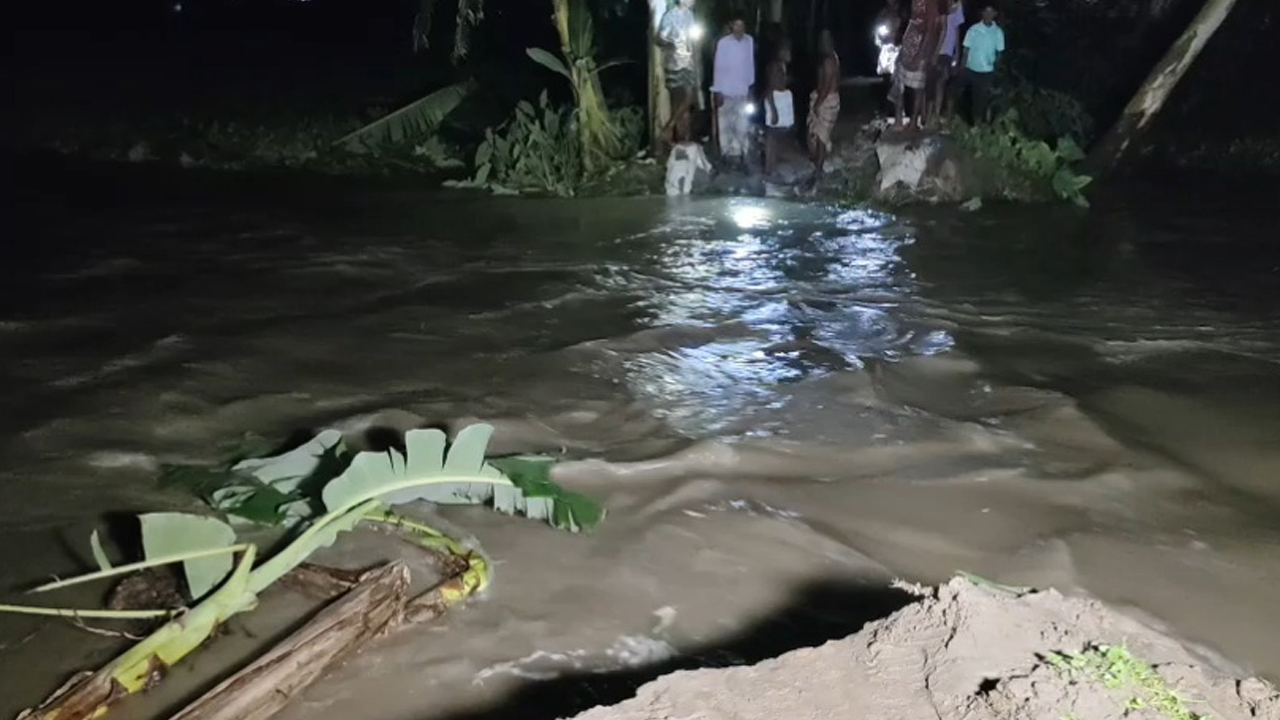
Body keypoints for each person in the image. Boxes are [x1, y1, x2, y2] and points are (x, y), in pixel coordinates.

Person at [890, 0, 944, 129]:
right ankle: (899, 119)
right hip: (907, 46)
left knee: (917, 87)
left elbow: (930, 31)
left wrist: (921, 56)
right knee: (897, 82)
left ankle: (914, 121)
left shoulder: (931, 4)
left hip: (921, 50)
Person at [712, 17, 756, 166]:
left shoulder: (749, 41)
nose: (739, 29)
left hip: (742, 90)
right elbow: (718, 68)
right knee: (725, 125)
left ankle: (741, 155)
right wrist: (717, 91)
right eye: (736, 25)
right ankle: (725, 156)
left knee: (742, 124)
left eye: (742, 25)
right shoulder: (723, 44)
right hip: (726, 90)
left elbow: (750, 65)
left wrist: (750, 87)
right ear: (731, 26)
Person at [657, 0, 701, 145]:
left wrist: (695, 61)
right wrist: (671, 44)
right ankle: (673, 134)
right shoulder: (670, 15)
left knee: (688, 100)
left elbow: (693, 40)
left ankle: (681, 136)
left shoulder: (690, 15)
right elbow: (659, 38)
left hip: (687, 63)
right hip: (674, 63)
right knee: (679, 101)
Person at [958, 3, 1005, 123]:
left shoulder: (998, 32)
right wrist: (962, 67)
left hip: (986, 72)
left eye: (991, 12)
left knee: (979, 101)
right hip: (969, 68)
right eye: (986, 12)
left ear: (995, 14)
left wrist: (995, 68)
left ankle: (977, 129)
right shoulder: (974, 29)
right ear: (982, 13)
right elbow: (966, 49)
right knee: (953, 91)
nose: (988, 15)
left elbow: (999, 52)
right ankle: (947, 119)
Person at [807, 29, 841, 179]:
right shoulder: (831, 57)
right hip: (826, 98)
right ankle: (818, 164)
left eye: (825, 40)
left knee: (821, 137)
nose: (822, 43)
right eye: (821, 39)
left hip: (827, 100)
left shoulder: (829, 60)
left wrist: (818, 103)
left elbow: (826, 85)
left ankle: (818, 169)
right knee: (816, 134)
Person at [929, 0, 966, 126]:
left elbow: (957, 29)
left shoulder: (957, 4)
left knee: (944, 83)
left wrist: (957, 53)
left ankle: (941, 116)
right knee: (932, 83)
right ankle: (930, 116)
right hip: (932, 48)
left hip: (947, 50)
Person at [763, 39, 794, 177]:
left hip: (781, 98)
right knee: (772, 134)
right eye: (787, 50)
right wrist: (774, 110)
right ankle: (769, 168)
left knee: (778, 134)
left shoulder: (782, 65)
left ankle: (772, 166)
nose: (789, 53)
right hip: (775, 99)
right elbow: (769, 88)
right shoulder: (774, 66)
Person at [874, 0, 903, 76]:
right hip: (887, 42)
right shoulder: (884, 13)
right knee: (885, 60)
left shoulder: (901, 13)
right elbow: (879, 24)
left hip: (897, 43)